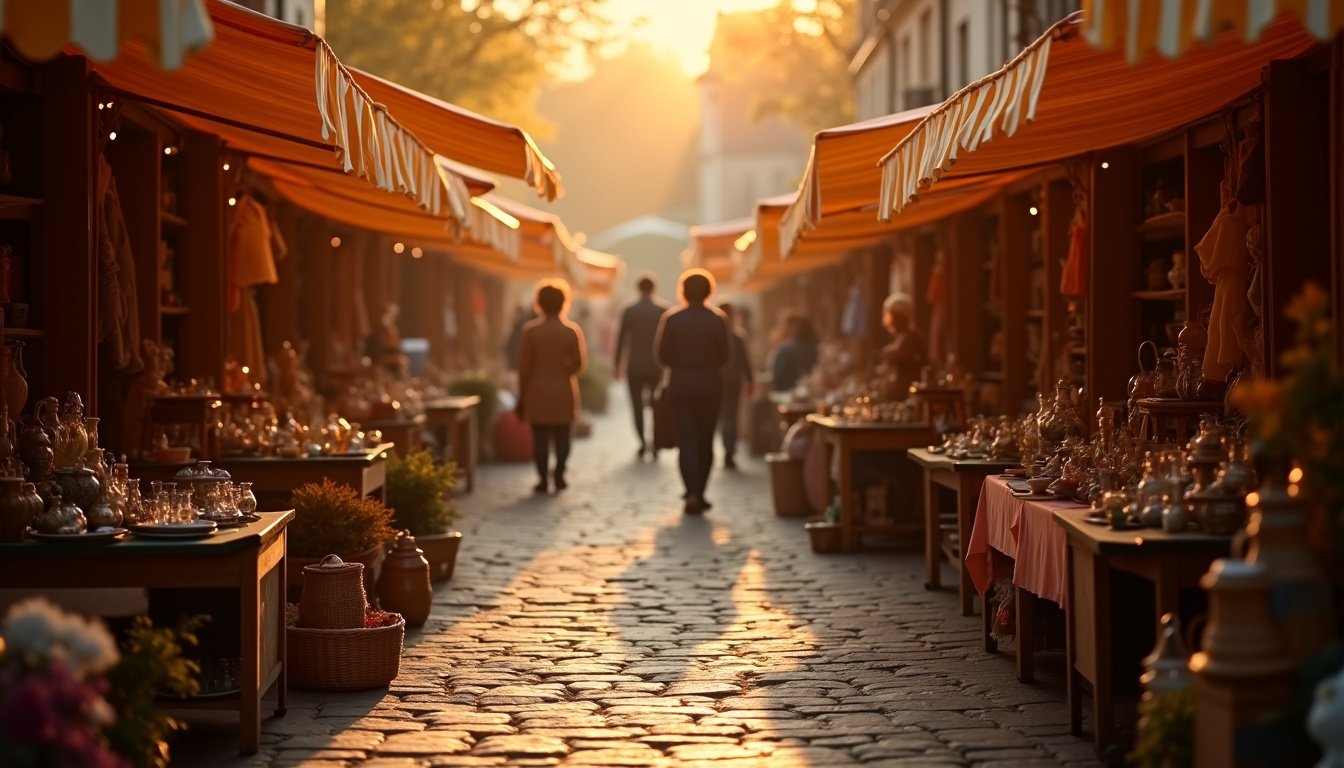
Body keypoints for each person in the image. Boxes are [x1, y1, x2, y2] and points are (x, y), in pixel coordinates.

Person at [655, 269, 730, 514]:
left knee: (686, 440)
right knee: (705, 440)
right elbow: (725, 357)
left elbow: (662, 355)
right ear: (709, 291)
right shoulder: (718, 319)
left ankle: (690, 493)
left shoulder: (672, 318)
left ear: (683, 291)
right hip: (710, 383)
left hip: (681, 382)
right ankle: (701, 492)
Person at [517, 280, 587, 494]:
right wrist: (564, 370)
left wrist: (522, 394)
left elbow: (524, 367)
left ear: (539, 303)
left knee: (540, 438)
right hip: (564, 390)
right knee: (563, 436)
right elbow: (579, 363)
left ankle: (542, 479)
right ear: (563, 303)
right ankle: (559, 473)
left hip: (536, 390)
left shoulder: (531, 331)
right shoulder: (571, 330)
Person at [614, 273, 670, 458]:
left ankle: (642, 442)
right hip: (656, 365)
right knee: (656, 405)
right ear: (654, 288)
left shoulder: (629, 310)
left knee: (636, 405)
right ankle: (655, 442)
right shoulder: (662, 309)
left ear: (638, 288)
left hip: (635, 364)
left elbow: (621, 339)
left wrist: (617, 364)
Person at [718, 301, 754, 470]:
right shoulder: (737, 337)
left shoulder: (713, 336)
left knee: (721, 418)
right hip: (733, 382)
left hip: (716, 382)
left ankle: (725, 448)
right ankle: (729, 452)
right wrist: (750, 382)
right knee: (730, 417)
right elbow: (746, 363)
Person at [881, 293, 928, 398]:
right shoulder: (901, 337)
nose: (889, 323)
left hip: (908, 393)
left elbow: (898, 355)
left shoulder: (911, 338)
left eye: (892, 317)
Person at [770, 314, 818, 392]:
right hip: (808, 391)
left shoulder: (785, 349)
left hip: (786, 392)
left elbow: (777, 378)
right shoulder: (815, 348)